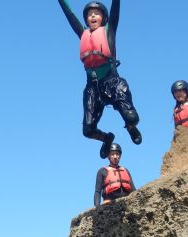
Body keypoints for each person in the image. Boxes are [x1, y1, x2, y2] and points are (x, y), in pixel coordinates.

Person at [58, 0, 142, 159]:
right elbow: (69, 14)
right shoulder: (83, 33)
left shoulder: (109, 30)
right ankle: (107, 138)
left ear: (103, 17)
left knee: (132, 117)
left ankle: (130, 127)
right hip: (92, 88)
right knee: (88, 130)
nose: (93, 16)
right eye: (89, 15)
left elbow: (116, 9)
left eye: (96, 13)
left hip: (113, 83)